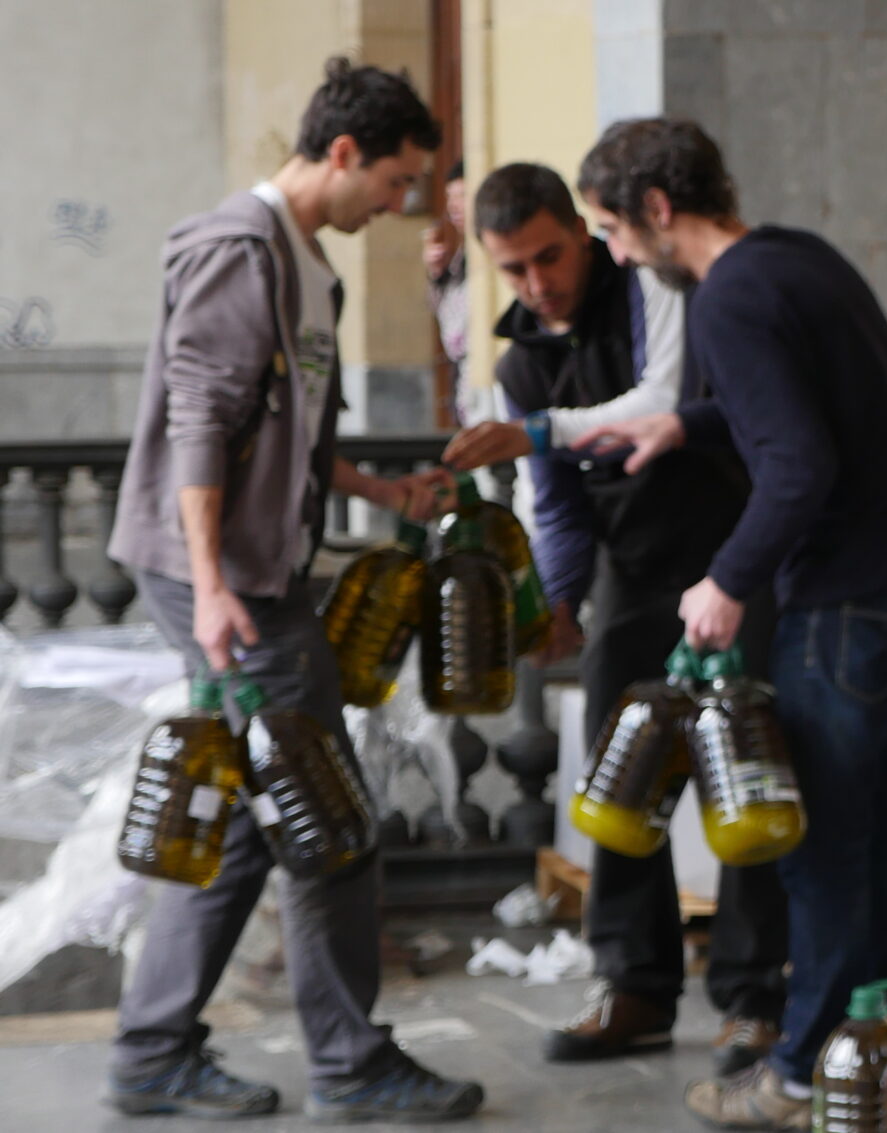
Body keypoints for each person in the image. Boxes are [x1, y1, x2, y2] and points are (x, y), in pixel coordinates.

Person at [101, 58, 483, 1123]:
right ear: (344, 153)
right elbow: (200, 421)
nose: (400, 205)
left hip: (249, 573)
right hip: (226, 580)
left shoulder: (311, 265)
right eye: (396, 181)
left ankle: (153, 1047)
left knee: (253, 816)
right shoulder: (242, 251)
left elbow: (292, 436)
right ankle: (350, 1064)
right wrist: (212, 586)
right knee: (327, 814)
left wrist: (377, 488)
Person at [569, 117, 887, 1131]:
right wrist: (684, 421)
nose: (616, 254)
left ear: (659, 209)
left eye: (612, 229)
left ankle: (797, 1073)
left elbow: (797, 463)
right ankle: (885, 1048)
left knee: (820, 846)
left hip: (847, 603)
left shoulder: (728, 298)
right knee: (864, 831)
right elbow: (808, 409)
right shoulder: (793, 260)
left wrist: (727, 580)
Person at [440, 161, 789, 1078]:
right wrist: (558, 600)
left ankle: (754, 996)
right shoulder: (520, 362)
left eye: (548, 257)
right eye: (513, 269)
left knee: (744, 766)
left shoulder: (652, 290)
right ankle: (633, 984)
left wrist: (540, 431)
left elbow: (664, 404)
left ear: (583, 235)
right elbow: (553, 502)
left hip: (733, 555)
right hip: (630, 575)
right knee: (616, 775)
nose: (536, 282)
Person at [423, 160, 473, 426]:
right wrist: (437, 274)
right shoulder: (461, 256)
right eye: (449, 197)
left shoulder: (490, 253)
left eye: (462, 196)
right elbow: (444, 318)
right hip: (462, 386)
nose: (454, 206)